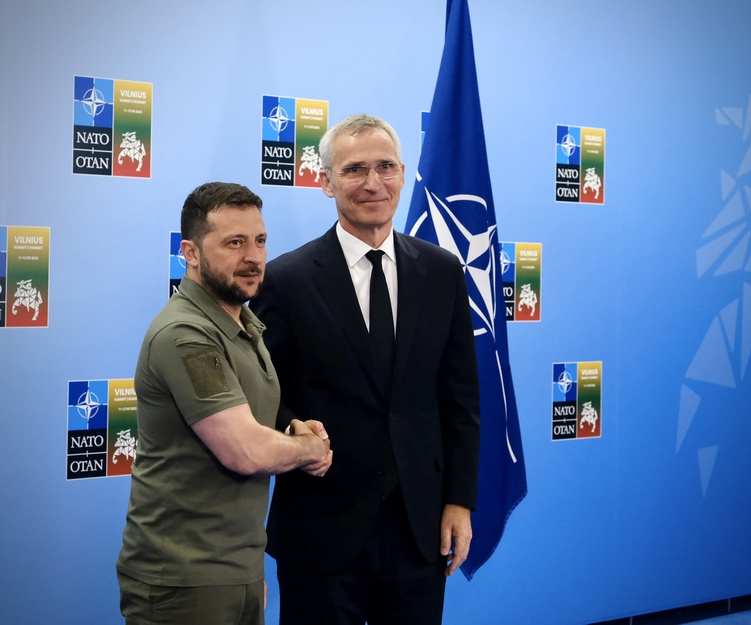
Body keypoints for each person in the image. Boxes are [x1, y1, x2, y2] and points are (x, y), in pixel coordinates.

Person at [250, 115, 480, 625]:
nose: (373, 183)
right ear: (326, 181)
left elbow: (461, 399)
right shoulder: (285, 280)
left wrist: (459, 501)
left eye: (385, 167)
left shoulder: (443, 271)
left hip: (420, 529)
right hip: (321, 527)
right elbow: (260, 390)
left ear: (402, 174)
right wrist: (291, 427)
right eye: (354, 169)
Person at [116, 182, 332, 625]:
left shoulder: (244, 322)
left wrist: (290, 429)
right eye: (234, 243)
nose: (253, 257)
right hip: (185, 581)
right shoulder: (186, 335)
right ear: (190, 253)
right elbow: (244, 450)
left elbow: (250, 421)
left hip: (235, 572)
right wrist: (310, 449)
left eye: (260, 241)